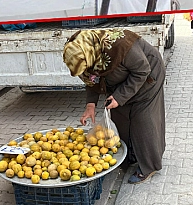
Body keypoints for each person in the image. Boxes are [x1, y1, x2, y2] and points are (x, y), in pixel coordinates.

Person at [63, 28, 166, 184]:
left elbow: (142, 70)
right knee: (119, 119)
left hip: (148, 77)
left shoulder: (120, 45)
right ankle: (129, 156)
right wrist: (90, 105)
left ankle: (149, 165)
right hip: (121, 82)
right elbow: (91, 79)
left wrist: (119, 96)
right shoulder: (82, 51)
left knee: (143, 120)